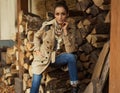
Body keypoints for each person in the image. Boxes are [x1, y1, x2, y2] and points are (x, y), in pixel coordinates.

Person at [30, 1, 80, 93]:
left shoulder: (71, 29)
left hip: (56, 58)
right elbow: (36, 36)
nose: (60, 17)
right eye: (57, 14)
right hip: (43, 57)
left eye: (63, 14)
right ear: (54, 15)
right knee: (36, 81)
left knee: (71, 57)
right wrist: (37, 49)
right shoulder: (48, 25)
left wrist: (65, 32)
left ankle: (74, 88)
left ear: (67, 14)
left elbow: (70, 50)